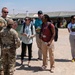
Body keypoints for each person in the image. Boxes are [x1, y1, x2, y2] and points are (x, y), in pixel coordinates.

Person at [0, 7, 9, 75]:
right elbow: (2, 30)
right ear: (2, 12)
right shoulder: (1, 20)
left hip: (6, 40)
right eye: (5, 12)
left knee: (6, 54)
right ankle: (1, 69)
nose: (6, 13)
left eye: (7, 12)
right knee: (2, 55)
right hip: (2, 40)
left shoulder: (7, 19)